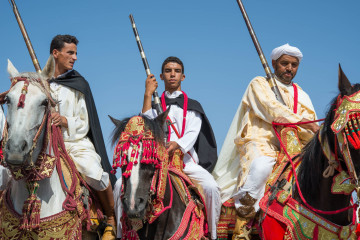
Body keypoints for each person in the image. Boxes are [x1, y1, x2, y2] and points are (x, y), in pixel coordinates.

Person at [212, 44, 319, 239]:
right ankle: (243, 225)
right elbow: (270, 109)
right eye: (284, 63)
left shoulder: (302, 94)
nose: (289, 68)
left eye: (294, 65)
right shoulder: (259, 83)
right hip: (261, 140)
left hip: (294, 147)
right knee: (261, 167)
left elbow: (311, 124)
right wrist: (302, 122)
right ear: (274, 63)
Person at [141, 56, 221, 240]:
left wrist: (177, 144)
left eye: (176, 71)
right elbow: (144, 126)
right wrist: (147, 94)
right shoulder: (154, 103)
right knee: (122, 185)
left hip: (185, 162)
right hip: (157, 162)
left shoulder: (193, 106)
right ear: (161, 76)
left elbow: (192, 133)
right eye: (168, 71)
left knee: (211, 188)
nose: (172, 74)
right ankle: (121, 232)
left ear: (183, 77)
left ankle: (211, 233)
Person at [48, 34, 116, 239]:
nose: (75, 57)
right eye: (70, 53)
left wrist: (65, 121)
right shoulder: (41, 83)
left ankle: (111, 218)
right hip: (48, 145)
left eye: (76, 53)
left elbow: (85, 122)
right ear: (55, 53)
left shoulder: (79, 83)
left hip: (75, 142)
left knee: (94, 172)